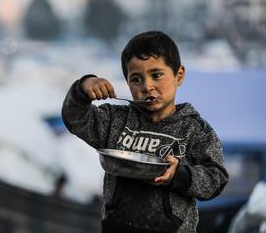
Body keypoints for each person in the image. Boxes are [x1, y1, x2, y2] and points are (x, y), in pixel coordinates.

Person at [61, 31, 229, 233]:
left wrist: (180, 175)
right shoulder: (116, 120)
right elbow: (75, 118)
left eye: (156, 75)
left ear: (179, 75)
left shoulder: (195, 130)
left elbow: (216, 179)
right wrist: (83, 87)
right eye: (136, 79)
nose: (147, 86)